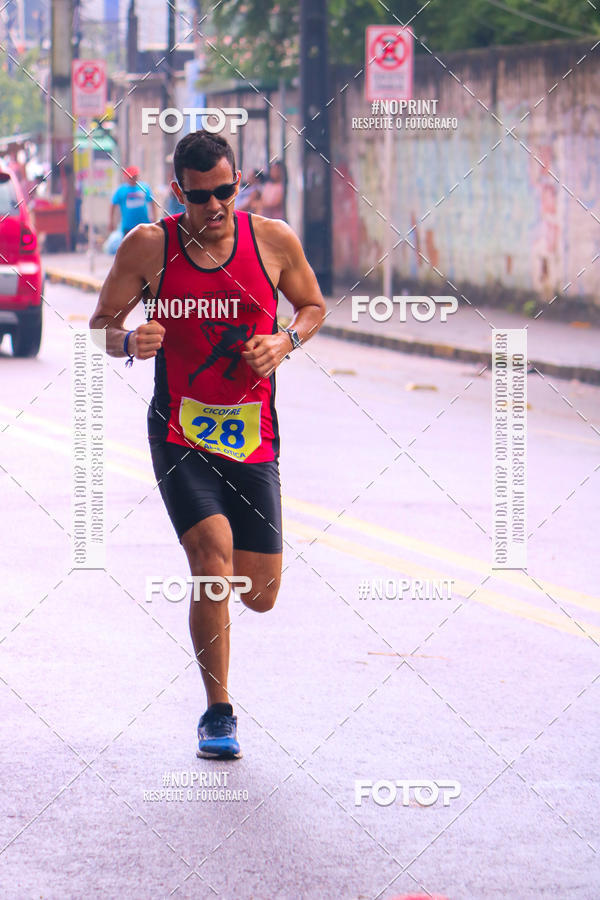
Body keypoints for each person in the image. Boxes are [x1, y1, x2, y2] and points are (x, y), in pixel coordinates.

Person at [89, 130, 325, 760]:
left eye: (226, 190)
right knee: (210, 558)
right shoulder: (150, 247)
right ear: (178, 192)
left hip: (253, 435)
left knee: (262, 594)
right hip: (179, 430)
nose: (216, 207)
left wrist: (285, 342)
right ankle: (218, 712)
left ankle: (221, 690)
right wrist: (129, 340)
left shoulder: (271, 240)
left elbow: (311, 306)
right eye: (202, 197)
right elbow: (101, 326)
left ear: (236, 180)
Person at [110, 165, 156, 235]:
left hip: (144, 225)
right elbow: (113, 204)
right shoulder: (121, 190)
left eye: (135, 176)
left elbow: (152, 203)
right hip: (128, 226)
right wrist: (111, 221)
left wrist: (154, 218)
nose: (133, 178)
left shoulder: (144, 187)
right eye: (131, 177)